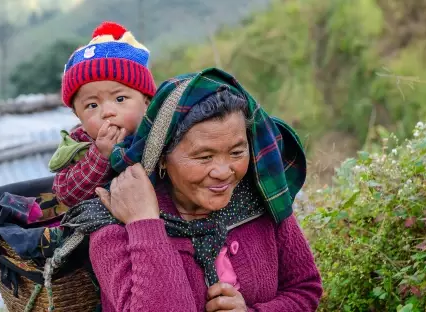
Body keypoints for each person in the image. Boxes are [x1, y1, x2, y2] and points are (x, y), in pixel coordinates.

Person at [86, 68, 323, 311]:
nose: (223, 171)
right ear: (163, 157)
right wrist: (144, 222)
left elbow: (304, 288)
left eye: (237, 152)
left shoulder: (260, 201)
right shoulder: (113, 225)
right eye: (204, 156)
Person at [49, 21, 156, 207]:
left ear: (146, 102)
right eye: (92, 105)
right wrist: (100, 155)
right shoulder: (79, 143)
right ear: (77, 115)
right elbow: (65, 194)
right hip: (101, 222)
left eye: (120, 99)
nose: (107, 112)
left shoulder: (161, 132)